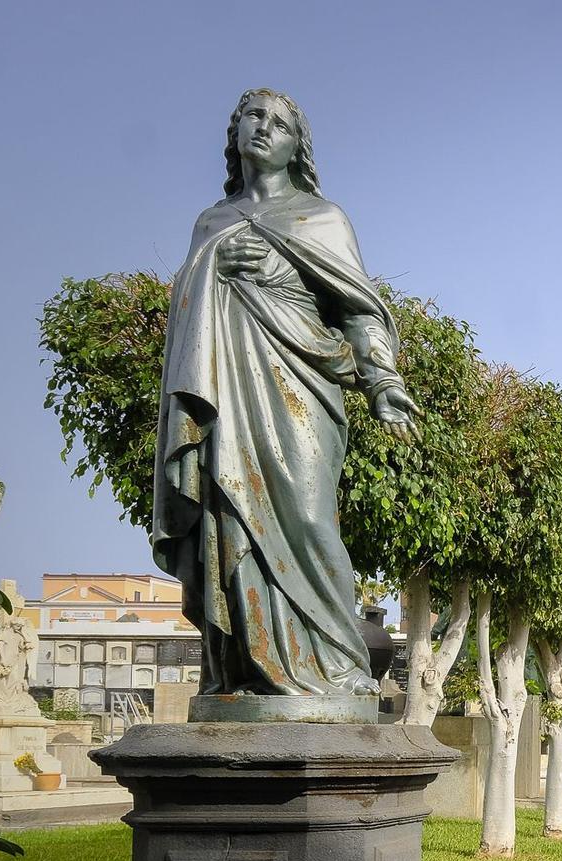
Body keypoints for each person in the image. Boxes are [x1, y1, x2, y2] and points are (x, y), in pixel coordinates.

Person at [154, 88, 418, 699]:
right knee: (231, 516)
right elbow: (186, 318)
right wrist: (213, 267)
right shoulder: (212, 223)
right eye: (253, 117)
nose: (263, 129)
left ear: (299, 145)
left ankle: (339, 666)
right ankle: (247, 668)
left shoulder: (324, 218)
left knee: (304, 515)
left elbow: (359, 311)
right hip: (226, 390)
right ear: (234, 131)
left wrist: (382, 378)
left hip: (300, 380)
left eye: (280, 123)